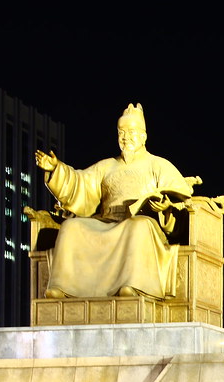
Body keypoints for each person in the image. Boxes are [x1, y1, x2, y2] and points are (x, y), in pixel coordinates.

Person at [34, 103, 196, 300]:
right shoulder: (106, 166)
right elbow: (79, 183)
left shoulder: (159, 165)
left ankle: (134, 285)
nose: (126, 137)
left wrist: (166, 209)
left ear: (144, 136)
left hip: (143, 224)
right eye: (121, 132)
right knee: (71, 227)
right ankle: (62, 287)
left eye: (132, 132)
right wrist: (56, 169)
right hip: (107, 221)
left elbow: (182, 201)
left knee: (137, 227)